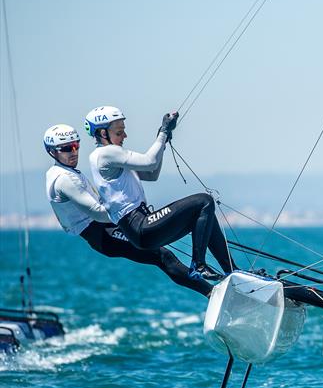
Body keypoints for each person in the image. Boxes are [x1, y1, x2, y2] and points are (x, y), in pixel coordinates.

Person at [43, 124, 212, 297]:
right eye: (66, 148)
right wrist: (134, 220)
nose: (73, 151)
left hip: (107, 229)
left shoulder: (65, 172)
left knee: (162, 253)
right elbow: (98, 213)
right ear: (52, 152)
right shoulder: (63, 179)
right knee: (162, 255)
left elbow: (151, 172)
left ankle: (213, 288)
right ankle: (211, 292)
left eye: (76, 145)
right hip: (102, 234)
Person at [85, 106, 236, 281]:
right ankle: (198, 265)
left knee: (203, 213)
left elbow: (151, 174)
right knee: (204, 201)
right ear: (103, 133)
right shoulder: (105, 154)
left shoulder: (112, 158)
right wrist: (163, 132)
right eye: (119, 132)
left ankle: (231, 271)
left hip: (143, 226)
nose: (125, 136)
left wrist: (162, 143)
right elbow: (150, 162)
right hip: (139, 226)